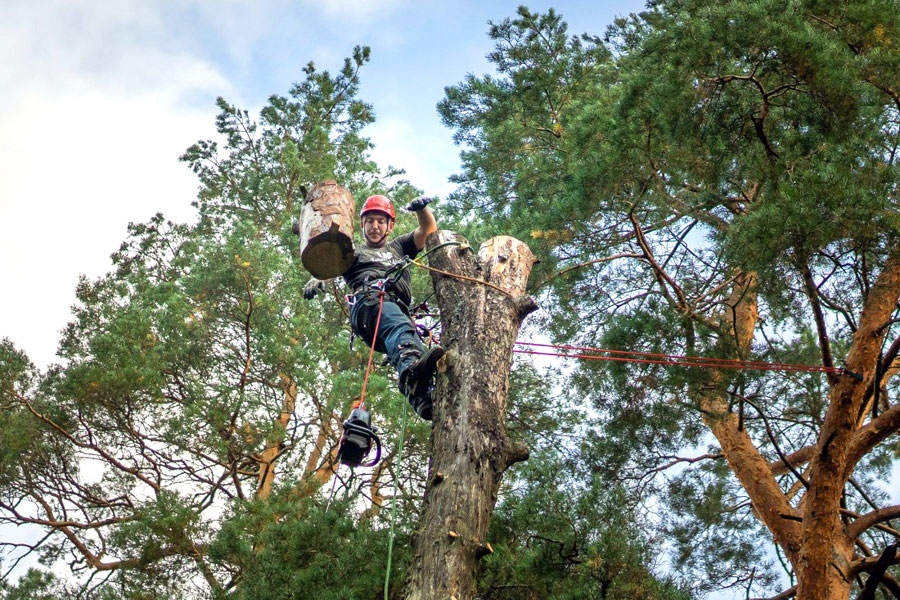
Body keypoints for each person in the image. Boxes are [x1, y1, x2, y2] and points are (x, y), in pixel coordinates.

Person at [303, 194, 444, 420]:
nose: (375, 226)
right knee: (401, 333)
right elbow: (330, 263)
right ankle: (413, 374)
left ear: (390, 225)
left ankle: (422, 399)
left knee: (409, 340)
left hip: (392, 311)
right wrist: (317, 278)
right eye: (370, 221)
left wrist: (422, 210)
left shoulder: (399, 247)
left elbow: (427, 232)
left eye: (380, 221)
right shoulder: (354, 253)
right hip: (369, 303)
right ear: (362, 224)